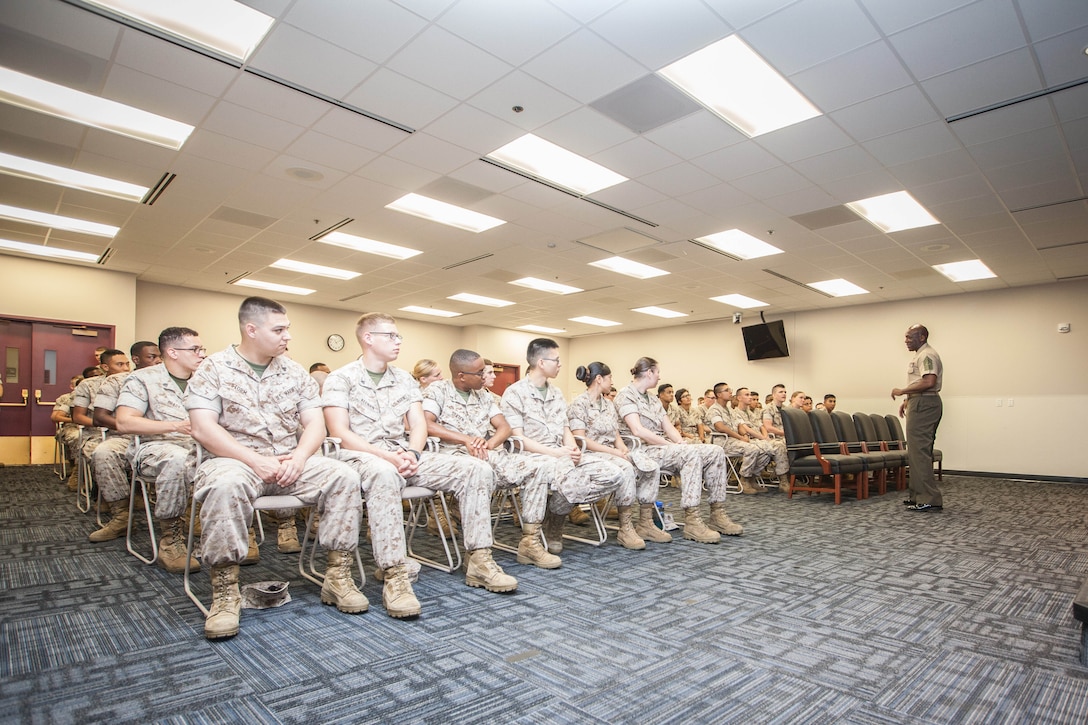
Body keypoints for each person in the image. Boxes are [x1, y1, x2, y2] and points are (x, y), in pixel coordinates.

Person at [186, 297, 368, 640]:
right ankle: (225, 592)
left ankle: (337, 576)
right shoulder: (213, 368)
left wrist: (300, 457)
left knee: (344, 476)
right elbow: (202, 428)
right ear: (250, 330)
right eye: (279, 330)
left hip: (289, 460)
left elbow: (315, 423)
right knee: (223, 486)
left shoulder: (294, 371)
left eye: (288, 329)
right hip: (235, 461)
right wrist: (254, 460)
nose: (287, 337)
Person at [323, 316, 516, 603]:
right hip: (361, 455)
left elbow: (419, 425)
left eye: (398, 336)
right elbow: (339, 431)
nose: (398, 341)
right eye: (391, 336)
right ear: (368, 338)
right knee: (384, 473)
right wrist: (389, 456)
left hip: (404, 453)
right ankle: (395, 574)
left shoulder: (402, 379)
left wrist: (413, 452)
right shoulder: (341, 378)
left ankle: (479, 559)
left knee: (476, 469)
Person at [423, 349, 564, 563]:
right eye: (479, 373)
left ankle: (530, 542)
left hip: (488, 453)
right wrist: (466, 439)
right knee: (479, 472)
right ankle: (478, 555)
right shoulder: (438, 391)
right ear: (461, 375)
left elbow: (504, 426)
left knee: (539, 467)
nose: (485, 376)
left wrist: (489, 443)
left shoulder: (483, 396)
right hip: (456, 457)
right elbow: (426, 423)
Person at [501, 339, 627, 560]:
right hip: (531, 456)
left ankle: (555, 515)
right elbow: (518, 438)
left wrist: (571, 449)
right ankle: (536, 536)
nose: (560, 364)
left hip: (561, 455)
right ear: (541, 362)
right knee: (571, 479)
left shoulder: (556, 393)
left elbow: (565, 428)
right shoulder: (515, 393)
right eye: (556, 360)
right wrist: (557, 454)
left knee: (614, 474)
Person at [615, 358, 743, 543]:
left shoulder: (652, 398)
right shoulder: (625, 395)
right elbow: (638, 430)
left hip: (662, 446)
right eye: (657, 372)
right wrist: (671, 446)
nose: (659, 377)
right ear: (649, 373)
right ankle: (692, 521)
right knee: (689, 454)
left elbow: (668, 427)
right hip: (640, 449)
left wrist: (680, 442)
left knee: (715, 451)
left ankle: (717, 513)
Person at [115, 327, 205, 573]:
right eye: (195, 349)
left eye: (202, 349)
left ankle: (229, 533)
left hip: (200, 447)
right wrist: (176, 425)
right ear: (172, 352)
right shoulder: (142, 379)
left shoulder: (206, 380)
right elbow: (124, 422)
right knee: (176, 459)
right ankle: (171, 539)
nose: (202, 355)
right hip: (155, 447)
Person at [568, 361, 667, 547]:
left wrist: (623, 449)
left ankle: (645, 521)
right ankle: (626, 527)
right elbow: (581, 439)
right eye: (609, 377)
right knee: (627, 468)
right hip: (590, 453)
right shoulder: (579, 404)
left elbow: (615, 434)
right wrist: (615, 452)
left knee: (649, 464)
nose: (612, 381)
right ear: (599, 379)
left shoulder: (608, 404)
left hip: (611, 452)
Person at [891, 324, 944, 512]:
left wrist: (902, 391)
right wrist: (908, 399)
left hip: (924, 404)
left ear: (922, 337)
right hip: (920, 402)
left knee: (919, 452)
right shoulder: (920, 355)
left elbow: (928, 381)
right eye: (905, 337)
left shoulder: (926, 355)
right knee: (916, 452)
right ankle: (917, 495)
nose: (906, 340)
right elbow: (921, 381)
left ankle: (929, 498)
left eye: (909, 336)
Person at [706, 383, 771, 495]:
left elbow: (740, 425)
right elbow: (720, 427)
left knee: (767, 449)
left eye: (730, 389)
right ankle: (744, 480)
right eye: (727, 390)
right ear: (719, 394)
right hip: (722, 442)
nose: (731, 392)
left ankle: (752, 478)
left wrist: (744, 435)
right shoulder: (714, 409)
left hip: (735, 440)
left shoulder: (730, 410)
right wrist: (741, 437)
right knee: (752, 449)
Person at [734, 386, 789, 490]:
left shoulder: (752, 413)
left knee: (776, 446)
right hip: (747, 439)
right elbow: (746, 429)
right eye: (747, 395)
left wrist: (765, 436)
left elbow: (761, 426)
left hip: (760, 439)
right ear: (739, 398)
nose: (750, 397)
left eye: (750, 395)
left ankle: (755, 479)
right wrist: (763, 438)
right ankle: (744, 480)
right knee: (766, 448)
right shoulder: (735, 413)